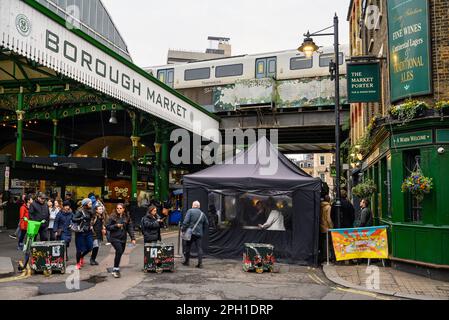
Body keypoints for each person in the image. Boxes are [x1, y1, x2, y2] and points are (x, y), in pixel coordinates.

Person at [106, 204, 136, 278]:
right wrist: (116, 226)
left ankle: (114, 268)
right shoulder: (112, 217)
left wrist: (133, 238)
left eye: (120, 208)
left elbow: (130, 228)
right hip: (114, 238)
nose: (118, 209)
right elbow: (108, 227)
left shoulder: (127, 217)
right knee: (119, 251)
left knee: (120, 253)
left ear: (124, 209)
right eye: (117, 208)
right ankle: (116, 269)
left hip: (123, 238)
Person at [182, 201, 209, 269]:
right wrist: (202, 230)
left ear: (193, 205)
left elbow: (185, 222)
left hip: (190, 233)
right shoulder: (202, 214)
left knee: (188, 247)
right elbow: (207, 223)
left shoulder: (190, 211)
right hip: (199, 233)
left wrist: (183, 229)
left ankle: (187, 261)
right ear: (199, 206)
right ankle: (200, 264)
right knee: (199, 248)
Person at [72, 198, 94, 270]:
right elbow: (74, 219)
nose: (91, 204)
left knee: (90, 247)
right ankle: (78, 263)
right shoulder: (80, 211)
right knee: (79, 249)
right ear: (86, 204)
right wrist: (81, 218)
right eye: (90, 203)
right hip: (80, 232)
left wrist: (91, 225)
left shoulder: (90, 211)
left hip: (88, 231)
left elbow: (91, 219)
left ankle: (81, 256)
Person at [320, 195, 334, 262]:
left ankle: (323, 256)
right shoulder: (328, 207)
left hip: (321, 226)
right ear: (329, 200)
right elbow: (328, 219)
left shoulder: (320, 206)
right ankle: (327, 257)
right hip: (326, 227)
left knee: (323, 242)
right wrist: (331, 227)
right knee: (327, 243)